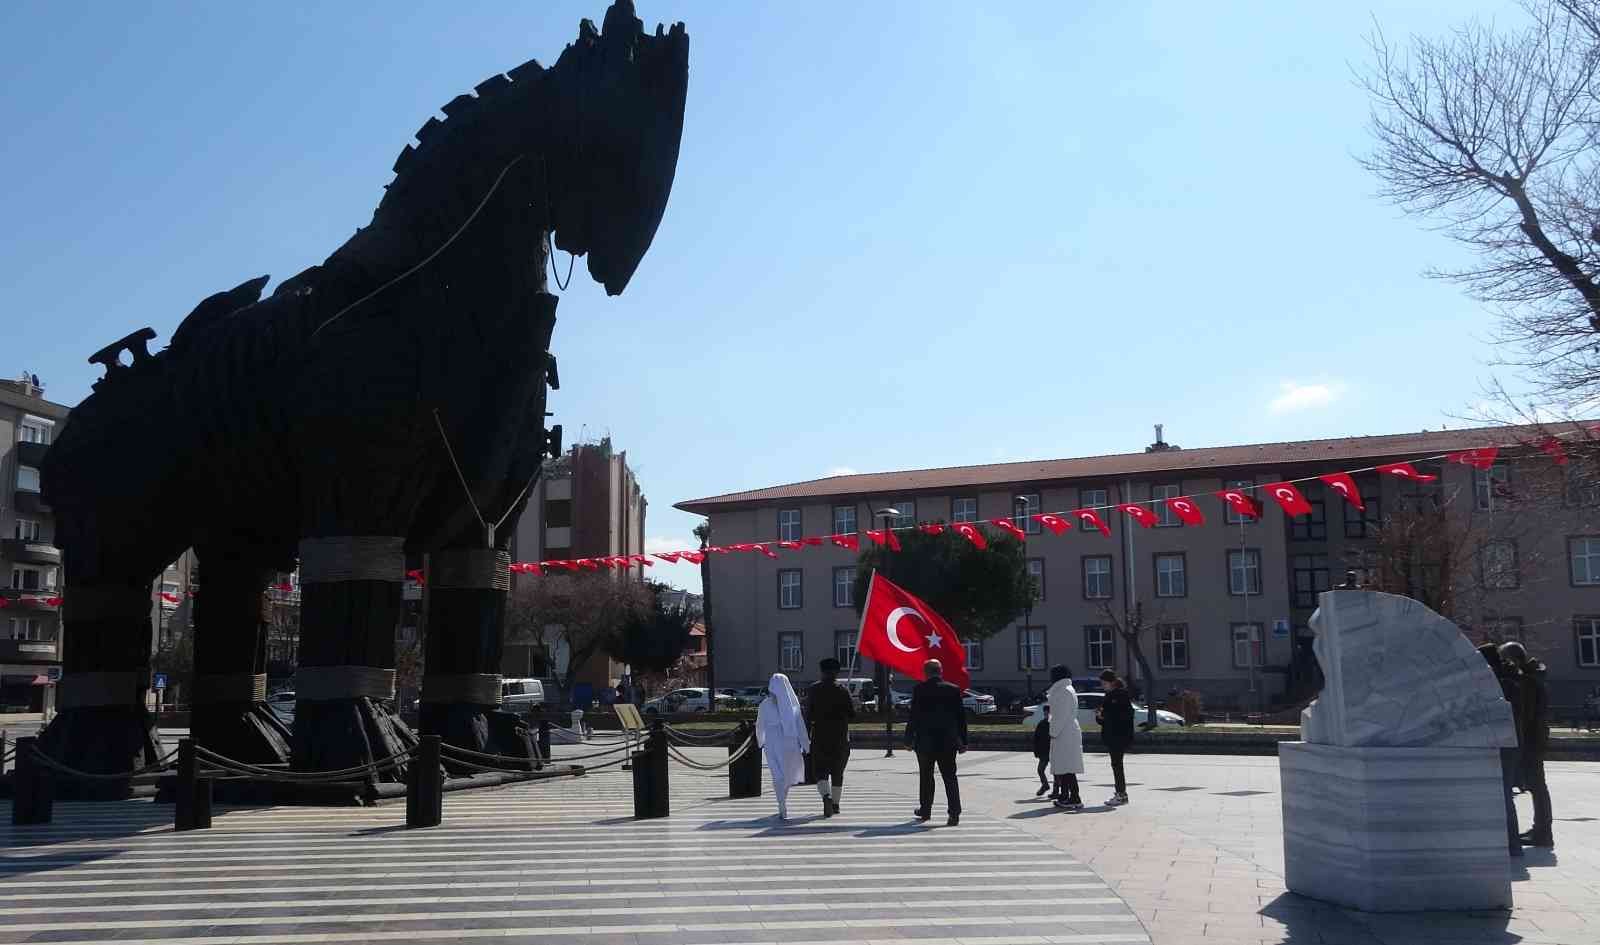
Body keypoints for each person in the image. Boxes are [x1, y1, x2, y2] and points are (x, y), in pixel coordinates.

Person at [1501, 641, 1554, 848]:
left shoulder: (1528, 682)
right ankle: (1541, 830)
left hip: (1531, 741)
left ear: (1513, 659)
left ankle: (1542, 832)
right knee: (1538, 787)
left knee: (1537, 786)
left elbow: (1526, 715)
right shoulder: (1533, 677)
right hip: (1536, 739)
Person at [904, 658, 967, 826]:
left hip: (925, 742)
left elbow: (914, 716)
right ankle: (954, 813)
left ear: (925, 672)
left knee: (926, 776)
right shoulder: (953, 689)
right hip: (948, 742)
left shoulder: (919, 689)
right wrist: (964, 741)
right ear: (941, 671)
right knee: (950, 777)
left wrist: (908, 739)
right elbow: (961, 718)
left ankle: (925, 810)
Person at [1478, 643, 1523, 857]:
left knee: (1503, 795)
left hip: (1503, 744)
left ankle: (1512, 844)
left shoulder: (1499, 683)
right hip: (1508, 743)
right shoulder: (1508, 679)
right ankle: (1510, 843)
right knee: (1503, 794)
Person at [755, 672, 810, 820]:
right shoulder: (793, 704)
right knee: (787, 773)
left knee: (777, 774)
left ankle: (781, 803)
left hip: (772, 742)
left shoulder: (764, 704)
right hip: (789, 742)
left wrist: (761, 740)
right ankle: (782, 800)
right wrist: (805, 744)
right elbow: (800, 727)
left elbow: (760, 726)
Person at [807, 657, 855, 817]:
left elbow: (808, 715)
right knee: (838, 771)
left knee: (820, 771)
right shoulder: (843, 690)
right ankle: (835, 804)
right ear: (837, 672)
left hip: (820, 736)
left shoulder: (813, 689)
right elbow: (852, 715)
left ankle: (826, 797)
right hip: (840, 737)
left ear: (822, 672)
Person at [1045, 664, 1084, 810]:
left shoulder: (1063, 692)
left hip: (1064, 732)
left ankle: (1074, 798)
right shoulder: (1066, 689)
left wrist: (1053, 732)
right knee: (1066, 767)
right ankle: (1065, 796)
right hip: (1067, 731)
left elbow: (1060, 716)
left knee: (1066, 767)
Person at [1096, 669, 1135, 806]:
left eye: (1103, 683)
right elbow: (1106, 717)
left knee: (1117, 765)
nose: (1102, 685)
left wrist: (1104, 716)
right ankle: (1121, 793)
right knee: (1117, 765)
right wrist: (1100, 717)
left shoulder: (1119, 695)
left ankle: (1121, 794)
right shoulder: (1110, 695)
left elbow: (1122, 716)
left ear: (1110, 682)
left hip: (1118, 736)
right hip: (1114, 735)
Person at [1032, 703, 1053, 797]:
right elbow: (1036, 739)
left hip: (1054, 751)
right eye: (1045, 713)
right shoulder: (1041, 724)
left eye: (1048, 713)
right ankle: (1045, 785)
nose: (1046, 715)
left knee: (1056, 771)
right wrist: (1036, 751)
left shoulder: (1055, 724)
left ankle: (1056, 790)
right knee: (1040, 770)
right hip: (1044, 752)